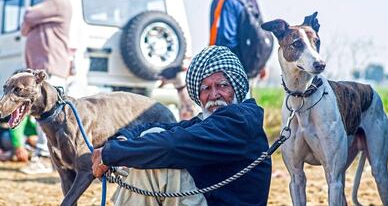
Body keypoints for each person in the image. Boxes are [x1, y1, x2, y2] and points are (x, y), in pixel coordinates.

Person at [92, 46, 272, 206]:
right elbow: (166, 128)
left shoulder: (239, 120)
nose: (214, 95)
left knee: (151, 168)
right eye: (205, 88)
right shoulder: (208, 122)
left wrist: (111, 154)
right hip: (206, 199)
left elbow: (172, 145)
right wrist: (122, 140)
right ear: (198, 95)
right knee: (153, 135)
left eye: (222, 85)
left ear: (236, 86)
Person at [20, 0, 72, 174]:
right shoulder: (50, 5)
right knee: (48, 117)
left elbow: (28, 17)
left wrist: (32, 20)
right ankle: (51, 160)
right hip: (43, 69)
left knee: (48, 116)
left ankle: (42, 158)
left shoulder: (58, 2)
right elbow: (24, 29)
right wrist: (33, 22)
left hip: (50, 69)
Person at [209, 0, 269, 93]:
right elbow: (259, 31)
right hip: (250, 60)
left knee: (230, 103)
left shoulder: (227, 0)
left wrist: (217, 63)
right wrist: (261, 63)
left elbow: (226, 38)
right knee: (245, 100)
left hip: (232, 64)